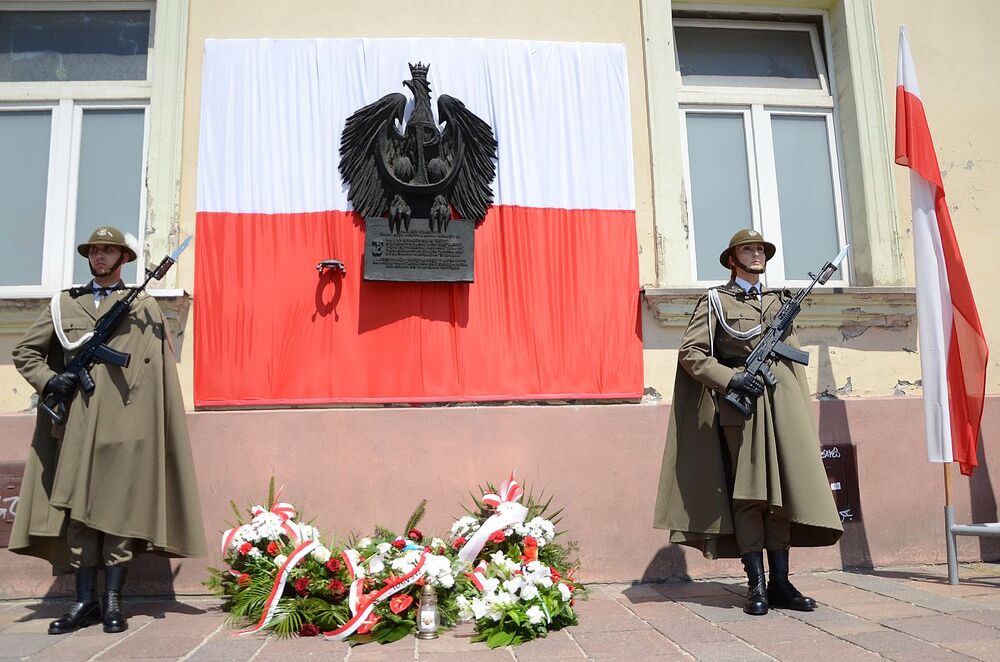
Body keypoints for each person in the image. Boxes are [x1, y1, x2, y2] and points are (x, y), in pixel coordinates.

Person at [10, 226, 206, 634]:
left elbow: (157, 372)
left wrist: (149, 427)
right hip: (77, 423)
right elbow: (26, 351)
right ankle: (84, 601)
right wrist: (52, 380)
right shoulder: (66, 303)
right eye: (94, 250)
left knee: (119, 513)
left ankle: (113, 600)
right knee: (79, 512)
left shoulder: (143, 307)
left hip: (125, 424)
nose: (99, 256)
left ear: (123, 259)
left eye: (108, 251)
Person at [653, 229, 842, 615]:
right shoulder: (715, 301)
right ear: (732, 259)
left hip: (780, 409)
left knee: (780, 495)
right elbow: (692, 353)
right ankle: (756, 584)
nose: (757, 254)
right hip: (741, 410)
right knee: (750, 496)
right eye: (748, 249)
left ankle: (781, 583)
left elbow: (791, 356)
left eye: (761, 249)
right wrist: (731, 379)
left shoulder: (778, 301)